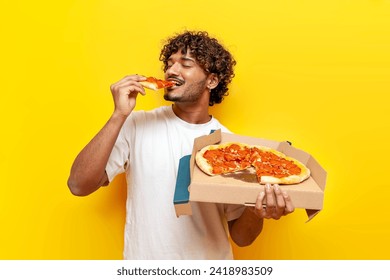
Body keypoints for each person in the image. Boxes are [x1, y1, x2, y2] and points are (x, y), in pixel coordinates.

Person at [67, 31, 294, 260]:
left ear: (212, 81)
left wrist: (257, 213)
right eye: (169, 64)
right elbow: (78, 185)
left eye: (185, 64)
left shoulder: (231, 148)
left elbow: (242, 238)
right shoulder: (137, 125)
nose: (171, 71)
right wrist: (118, 115)